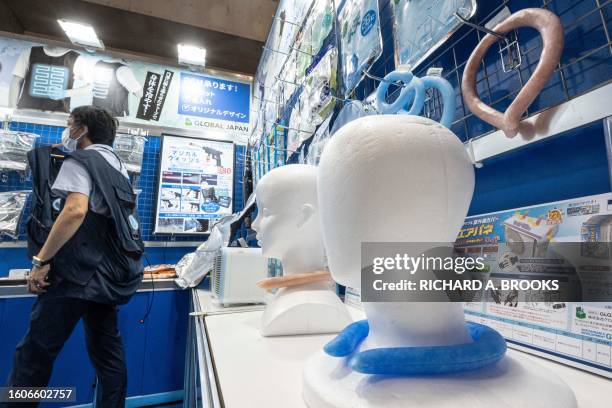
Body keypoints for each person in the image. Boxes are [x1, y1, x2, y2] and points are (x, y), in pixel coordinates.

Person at [3, 106, 144, 408]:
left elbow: (75, 210)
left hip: (74, 275)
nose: (67, 132)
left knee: (33, 354)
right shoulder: (117, 167)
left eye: (70, 126)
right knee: (108, 355)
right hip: (108, 278)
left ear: (82, 131)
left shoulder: (80, 160)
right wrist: (55, 156)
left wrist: (40, 261)